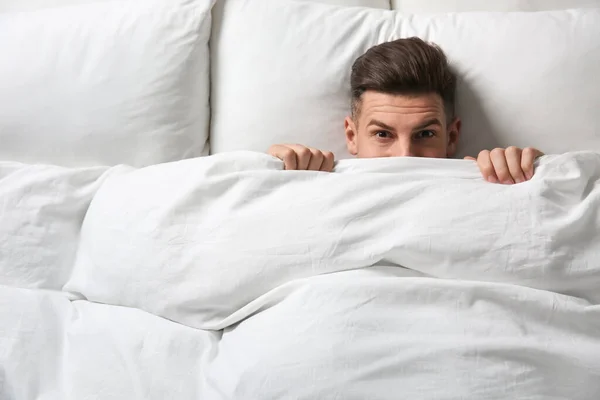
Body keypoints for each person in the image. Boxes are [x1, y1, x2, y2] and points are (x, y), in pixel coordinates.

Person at [268, 37, 543, 185]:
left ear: (452, 136)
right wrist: (270, 175)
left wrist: (534, 175)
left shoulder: (489, 185)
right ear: (352, 136)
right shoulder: (312, 185)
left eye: (425, 133)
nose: (405, 155)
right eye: (383, 134)